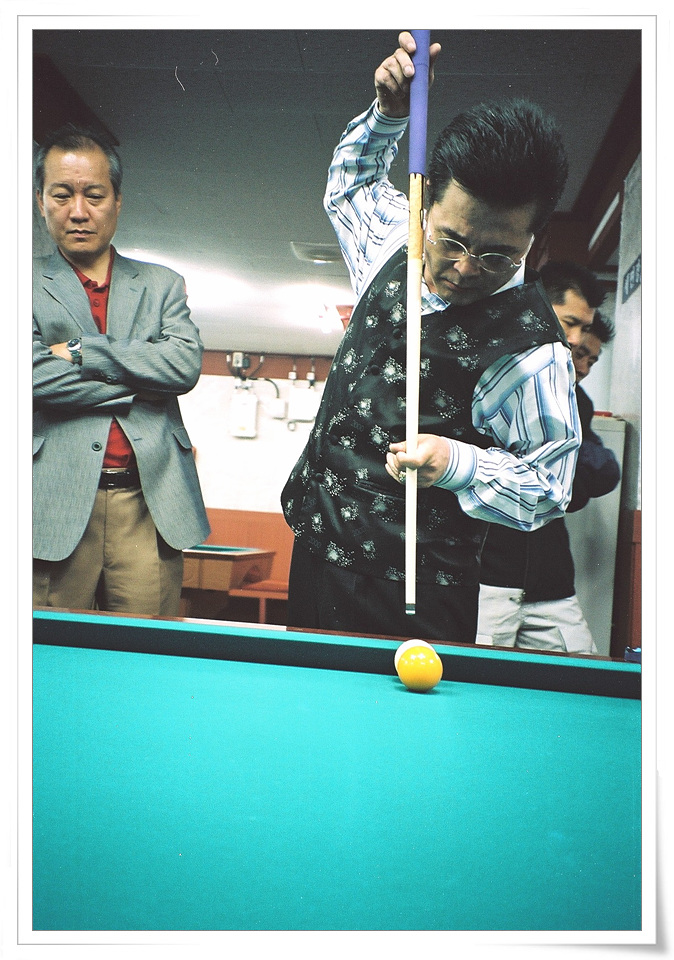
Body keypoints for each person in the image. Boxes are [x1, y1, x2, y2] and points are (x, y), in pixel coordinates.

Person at [281, 32, 580, 644]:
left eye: (497, 254)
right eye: (452, 240)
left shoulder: (533, 350)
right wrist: (389, 115)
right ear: (425, 206)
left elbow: (551, 485)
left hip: (417, 591)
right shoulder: (396, 238)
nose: (466, 268)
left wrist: (456, 463)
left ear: (535, 242)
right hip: (313, 545)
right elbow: (351, 185)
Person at [33, 124, 210, 616]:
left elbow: (182, 366)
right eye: (62, 195)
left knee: (148, 649)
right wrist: (139, 384)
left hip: (149, 503)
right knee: (48, 649)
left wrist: (82, 351)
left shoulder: (163, 285)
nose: (78, 211)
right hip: (51, 502)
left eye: (94, 195)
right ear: (40, 202)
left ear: (117, 201)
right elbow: (29, 377)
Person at [477, 272, 620, 653]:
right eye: (578, 351)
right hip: (489, 581)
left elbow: (600, 474)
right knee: (478, 680)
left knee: (584, 674)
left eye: (591, 358)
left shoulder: (578, 402)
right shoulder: (494, 380)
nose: (582, 362)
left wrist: (558, 480)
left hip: (552, 582)